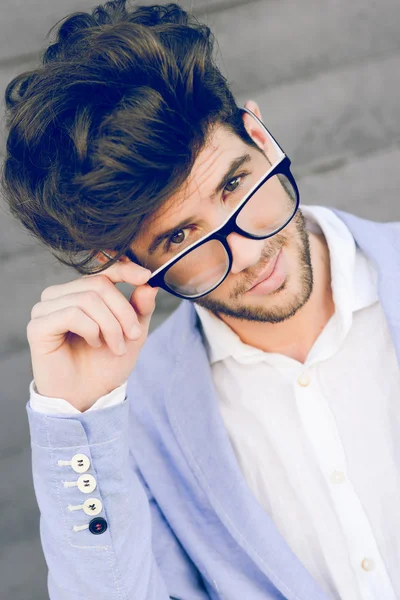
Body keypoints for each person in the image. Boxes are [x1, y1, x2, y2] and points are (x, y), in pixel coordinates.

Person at [1, 1, 399, 599]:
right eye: (182, 237)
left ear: (261, 136)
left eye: (235, 184)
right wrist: (77, 423)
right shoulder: (133, 423)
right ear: (128, 265)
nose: (246, 252)